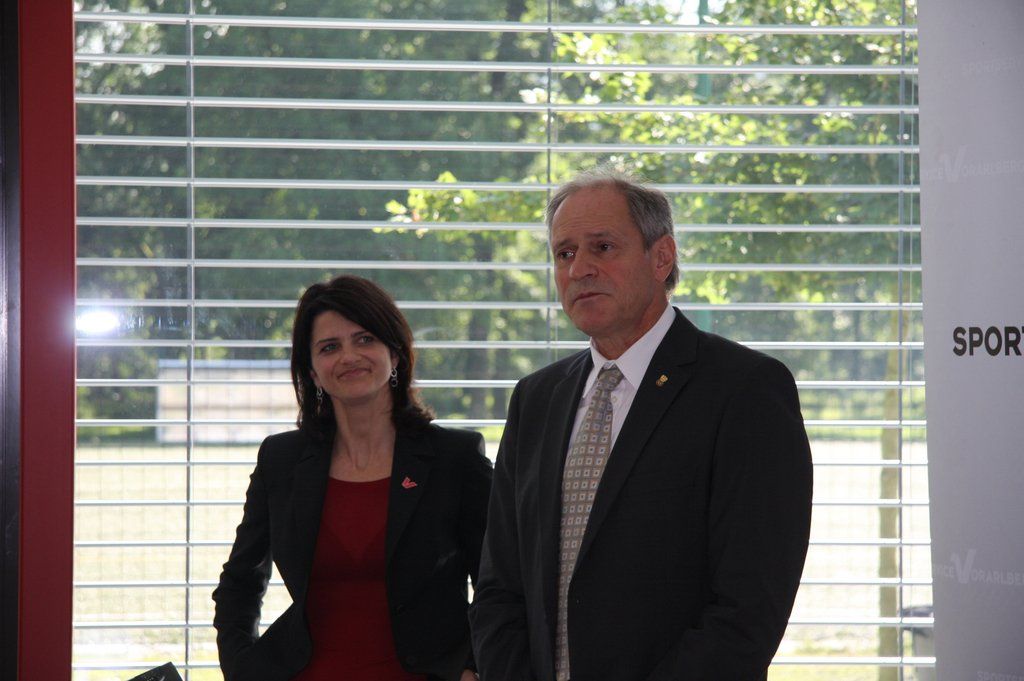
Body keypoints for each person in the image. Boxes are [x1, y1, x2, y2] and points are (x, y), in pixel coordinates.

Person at [469, 167, 813, 681]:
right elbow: (500, 587)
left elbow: (748, 609)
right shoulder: (536, 399)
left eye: (603, 247)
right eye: (564, 253)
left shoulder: (745, 390)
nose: (579, 269)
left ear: (662, 257)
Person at [213, 275, 492, 681]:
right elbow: (240, 583)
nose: (349, 356)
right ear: (312, 371)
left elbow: (497, 585)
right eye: (329, 347)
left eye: (364, 339)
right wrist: (242, 670)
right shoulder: (281, 459)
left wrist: (474, 668)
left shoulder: (456, 457)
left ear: (395, 354)